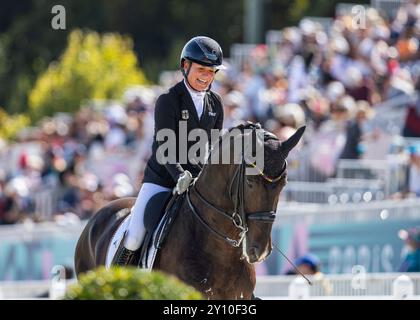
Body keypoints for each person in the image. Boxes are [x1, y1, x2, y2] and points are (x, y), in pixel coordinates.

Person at [112, 36, 226, 266]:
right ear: (186, 66)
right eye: (201, 69)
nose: (206, 76)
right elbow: (165, 147)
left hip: (198, 182)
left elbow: (213, 147)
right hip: (163, 178)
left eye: (212, 71)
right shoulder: (168, 100)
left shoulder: (217, 103)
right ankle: (117, 278)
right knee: (135, 235)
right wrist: (179, 176)